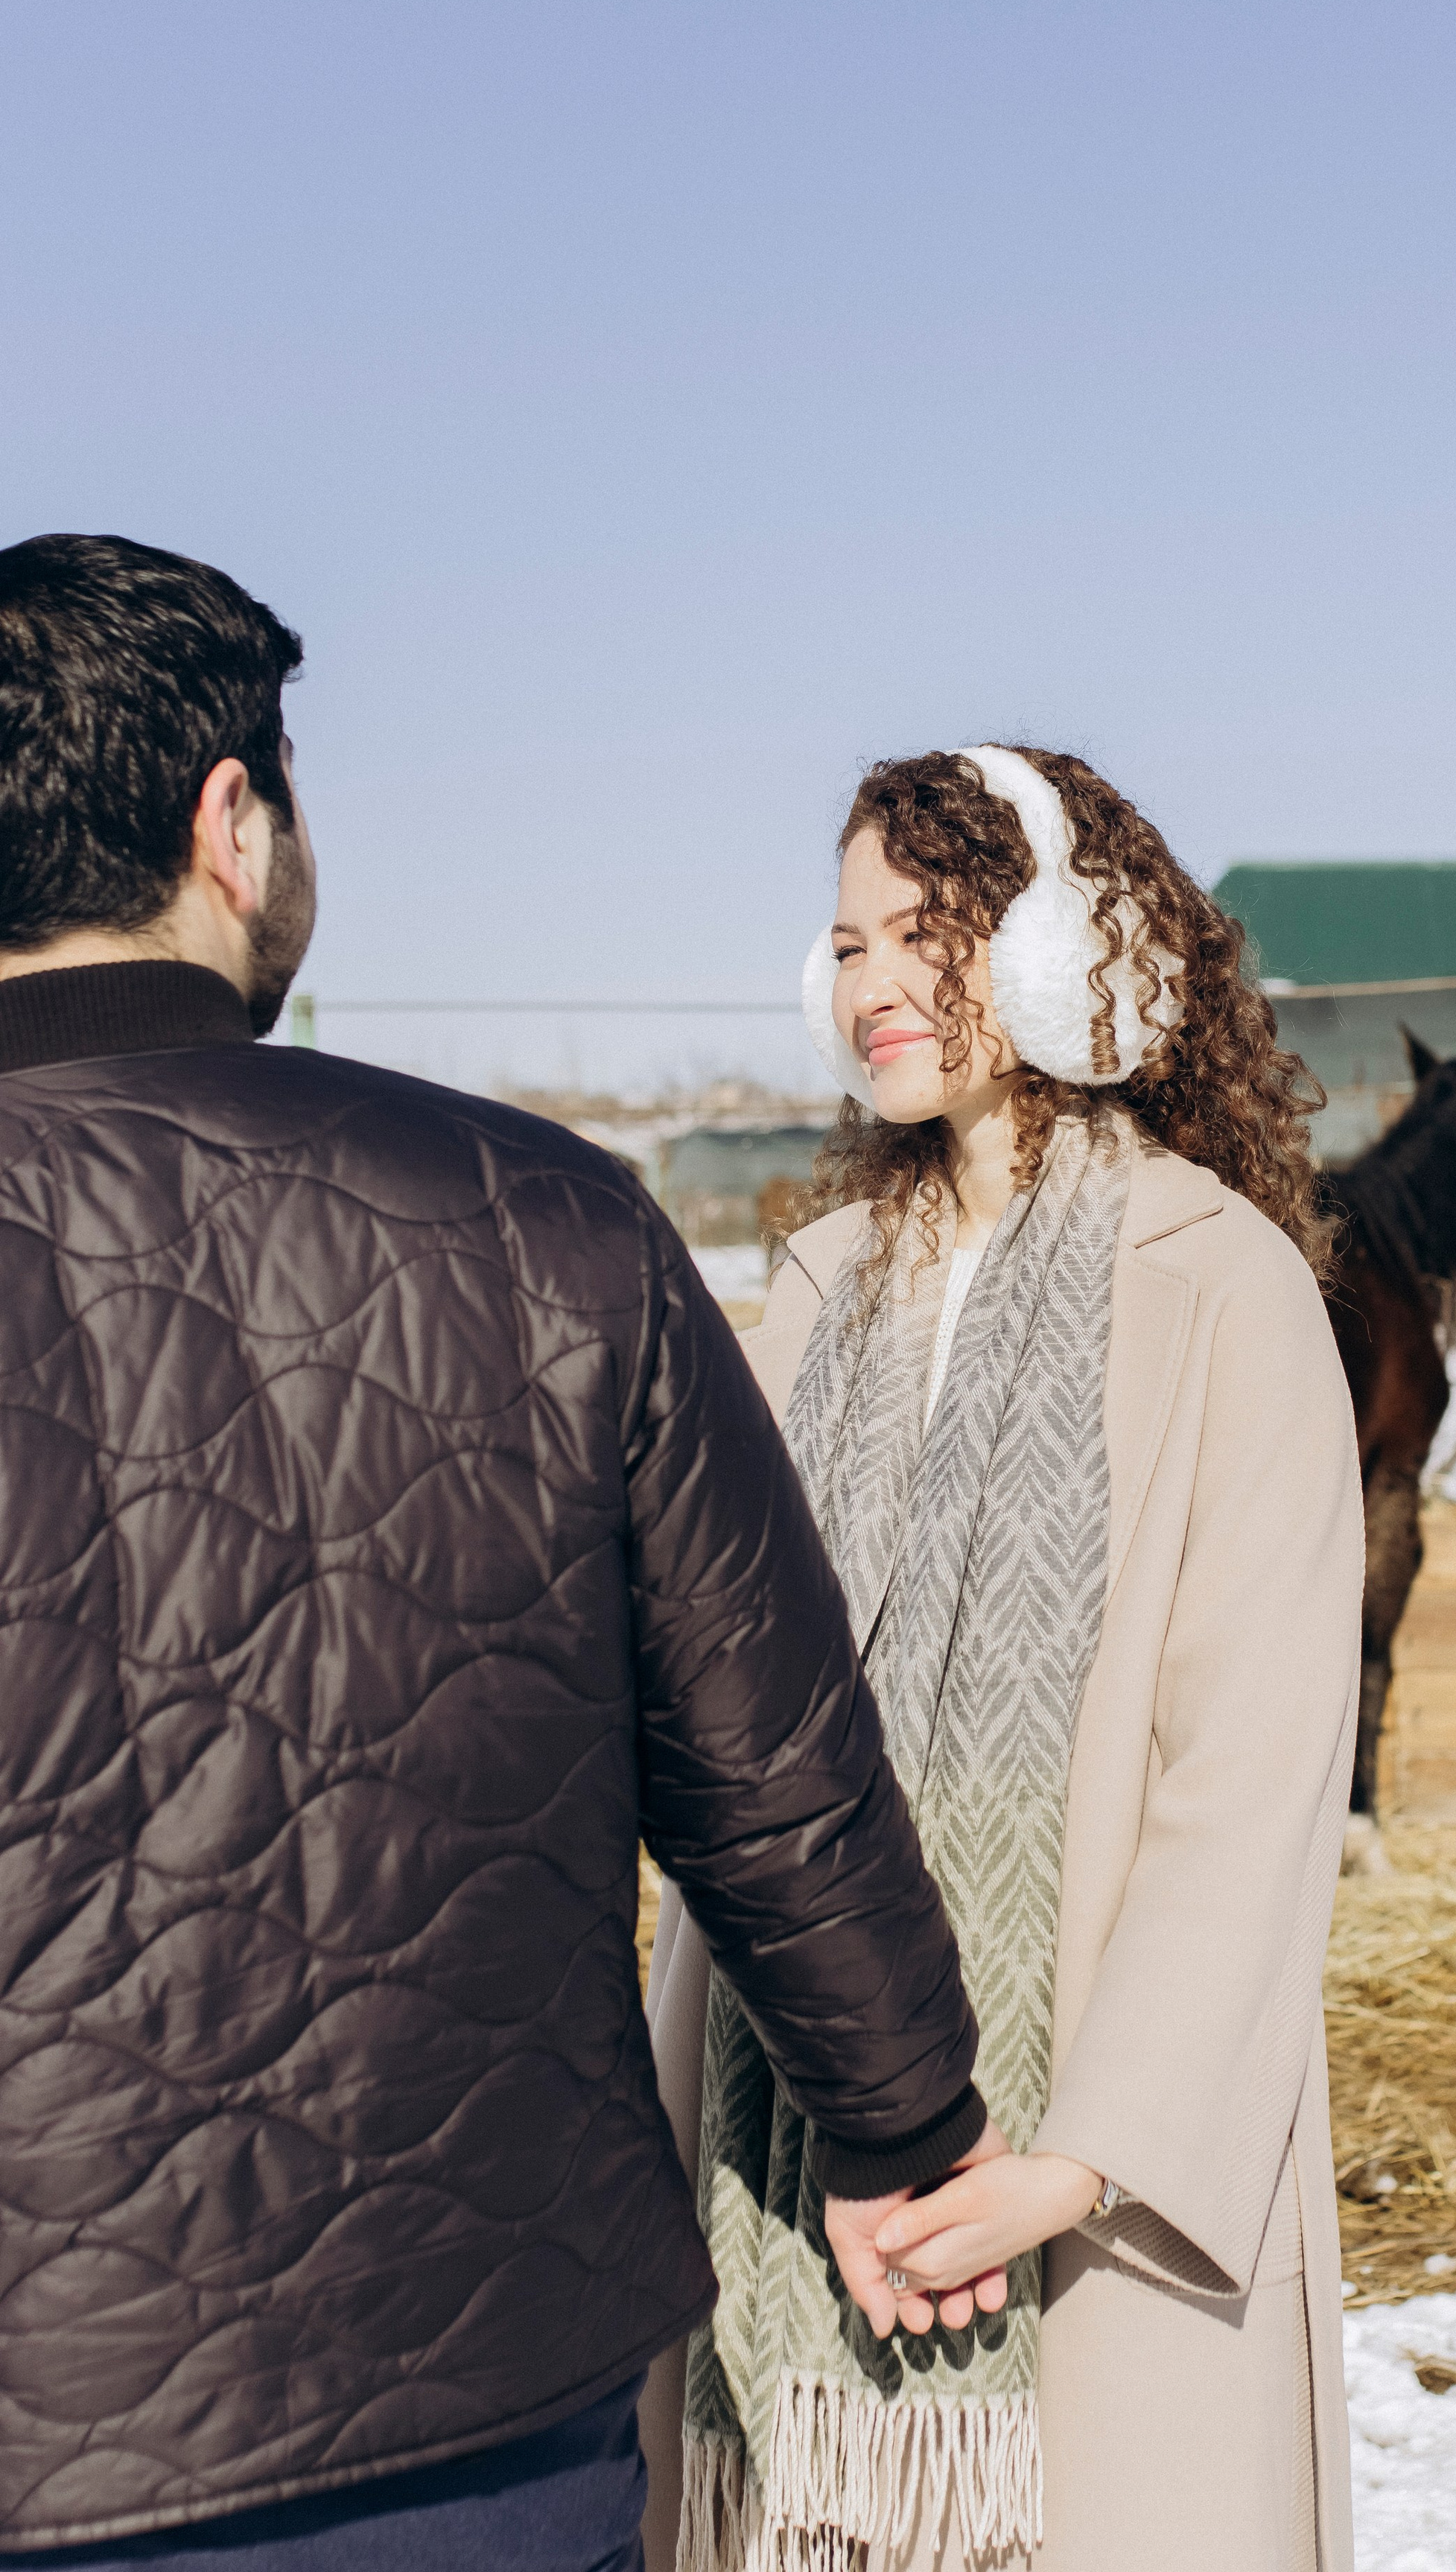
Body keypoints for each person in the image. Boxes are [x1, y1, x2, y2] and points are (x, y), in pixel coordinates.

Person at [0, 535, 998, 2571]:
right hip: (472, 2402)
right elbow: (775, 1770)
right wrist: (902, 2126)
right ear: (231, 824)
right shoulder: (550, 1223)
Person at [642, 747, 1364, 2572]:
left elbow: (1250, 1776)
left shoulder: (1222, 1289)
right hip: (784, 2128)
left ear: (1070, 952)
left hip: (1101, 2180)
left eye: (925, 931)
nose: (870, 984)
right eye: (843, 942)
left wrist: (1082, 2152)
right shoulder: (809, 1295)